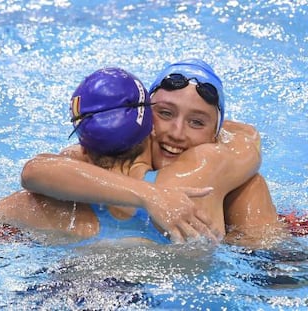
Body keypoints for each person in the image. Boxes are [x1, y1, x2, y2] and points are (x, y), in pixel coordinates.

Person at [21, 60, 275, 245]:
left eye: (197, 122)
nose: (177, 132)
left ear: (215, 136)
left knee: (252, 188)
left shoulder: (214, 163)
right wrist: (151, 195)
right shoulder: (97, 158)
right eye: (165, 113)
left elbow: (248, 142)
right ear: (141, 117)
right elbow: (38, 170)